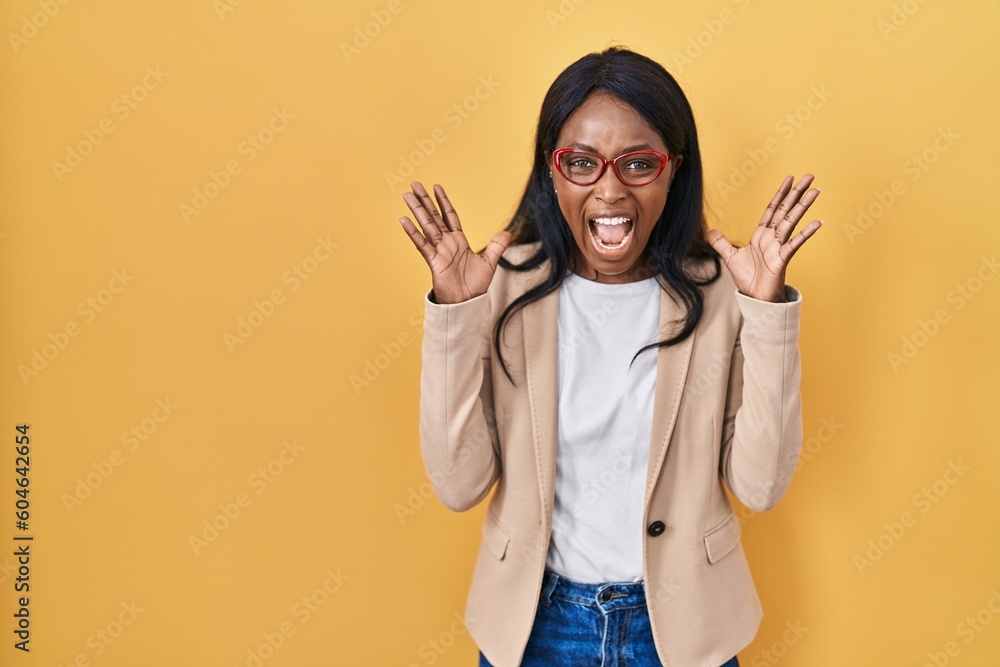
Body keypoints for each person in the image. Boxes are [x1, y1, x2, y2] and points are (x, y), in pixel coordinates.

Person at [397, 46, 822, 667]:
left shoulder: (724, 290)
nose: (610, 189)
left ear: (673, 169)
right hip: (534, 628)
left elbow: (759, 487)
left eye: (638, 164)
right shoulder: (498, 286)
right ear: (552, 170)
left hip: (683, 629)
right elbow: (459, 485)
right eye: (582, 163)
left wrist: (768, 315)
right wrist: (455, 317)